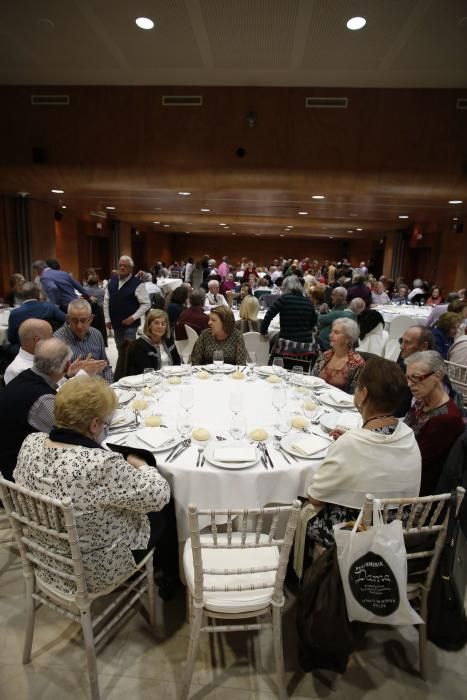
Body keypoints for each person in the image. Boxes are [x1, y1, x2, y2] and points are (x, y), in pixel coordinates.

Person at [13, 375, 177, 595]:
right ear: (93, 425)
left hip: (43, 557)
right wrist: (140, 462)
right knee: (167, 508)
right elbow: (160, 494)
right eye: (105, 423)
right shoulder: (99, 464)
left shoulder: (30, 442)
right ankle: (170, 576)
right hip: (94, 572)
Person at [305, 357, 421, 550]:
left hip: (356, 535)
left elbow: (315, 497)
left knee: (305, 508)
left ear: (363, 394)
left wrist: (348, 443)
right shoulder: (408, 437)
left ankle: (304, 574)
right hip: (394, 530)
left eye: (357, 388)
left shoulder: (351, 445)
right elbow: (380, 461)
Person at [0, 338, 72, 481]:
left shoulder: (24, 377)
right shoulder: (43, 399)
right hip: (18, 474)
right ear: (66, 366)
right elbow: (69, 438)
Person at [404, 351, 464, 495]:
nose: (409, 384)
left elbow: (417, 461)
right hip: (404, 467)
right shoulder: (422, 400)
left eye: (416, 378)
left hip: (416, 489)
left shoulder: (446, 418)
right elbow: (404, 429)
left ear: (437, 376)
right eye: (408, 378)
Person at [54, 299, 113, 382]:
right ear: (67, 318)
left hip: (99, 386)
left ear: (91, 318)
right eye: (74, 321)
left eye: (83, 320)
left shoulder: (96, 334)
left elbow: (105, 366)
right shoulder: (57, 341)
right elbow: (56, 379)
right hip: (73, 389)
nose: (79, 326)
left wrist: (109, 386)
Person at [104, 255, 151, 352]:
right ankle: (122, 367)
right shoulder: (112, 282)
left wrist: (133, 317)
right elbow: (106, 301)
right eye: (120, 265)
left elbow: (146, 304)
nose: (122, 268)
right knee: (120, 349)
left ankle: (130, 367)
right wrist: (107, 319)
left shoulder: (138, 284)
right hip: (116, 323)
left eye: (125, 266)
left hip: (130, 325)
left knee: (129, 350)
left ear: (131, 268)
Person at [312, 318, 364, 394]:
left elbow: (354, 394)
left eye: (336, 332)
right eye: (331, 332)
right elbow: (312, 378)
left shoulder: (356, 363)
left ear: (348, 338)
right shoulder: (325, 355)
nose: (330, 335)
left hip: (339, 404)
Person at [7, 282, 66, 347]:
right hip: (49, 346)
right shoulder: (50, 307)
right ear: (38, 294)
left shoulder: (15, 313)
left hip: (25, 348)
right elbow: (67, 320)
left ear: (22, 295)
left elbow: (11, 339)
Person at [260, 276, 316, 343]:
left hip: (287, 343)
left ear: (285, 287)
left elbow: (268, 316)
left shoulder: (284, 299)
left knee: (271, 344)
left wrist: (263, 332)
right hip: (306, 343)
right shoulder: (308, 302)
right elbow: (314, 321)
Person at [127, 309, 180, 374]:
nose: (160, 326)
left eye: (163, 324)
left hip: (170, 378)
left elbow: (177, 362)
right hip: (150, 381)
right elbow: (147, 371)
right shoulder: (140, 345)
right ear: (149, 325)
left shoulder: (168, 340)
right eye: (156, 323)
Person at [4, 319, 53, 384]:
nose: (54, 341)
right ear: (38, 341)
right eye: (51, 337)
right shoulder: (18, 371)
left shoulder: (46, 356)